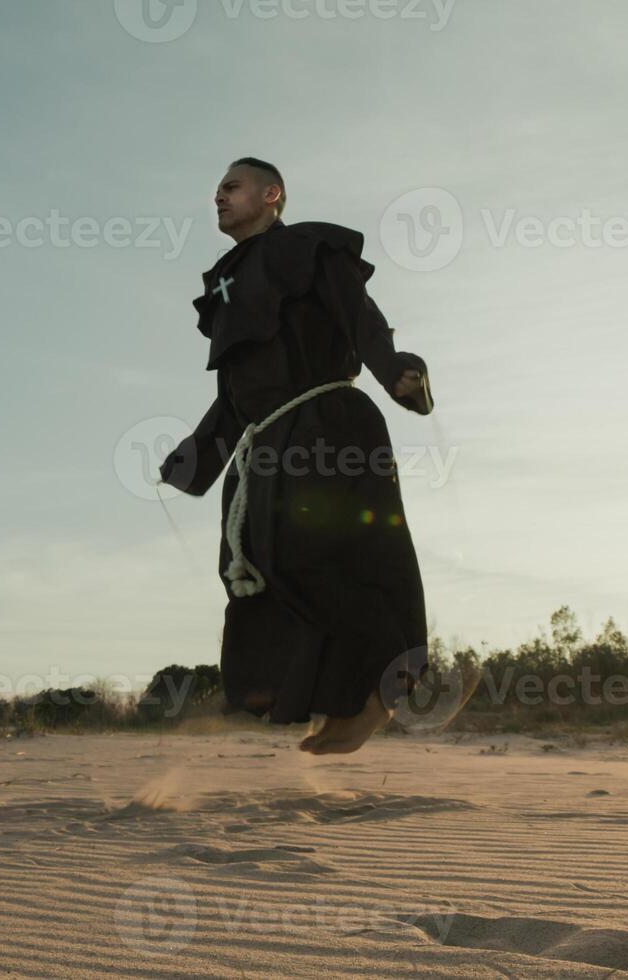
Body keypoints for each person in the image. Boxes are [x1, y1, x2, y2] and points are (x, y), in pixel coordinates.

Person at [158, 157, 435, 755]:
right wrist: (194, 458)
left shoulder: (311, 248)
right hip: (268, 440)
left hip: (329, 427)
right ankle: (332, 702)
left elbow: (362, 320)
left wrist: (395, 373)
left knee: (314, 551)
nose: (219, 197)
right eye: (216, 191)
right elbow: (235, 396)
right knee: (252, 563)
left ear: (271, 194)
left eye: (231, 187)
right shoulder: (225, 284)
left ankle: (382, 689)